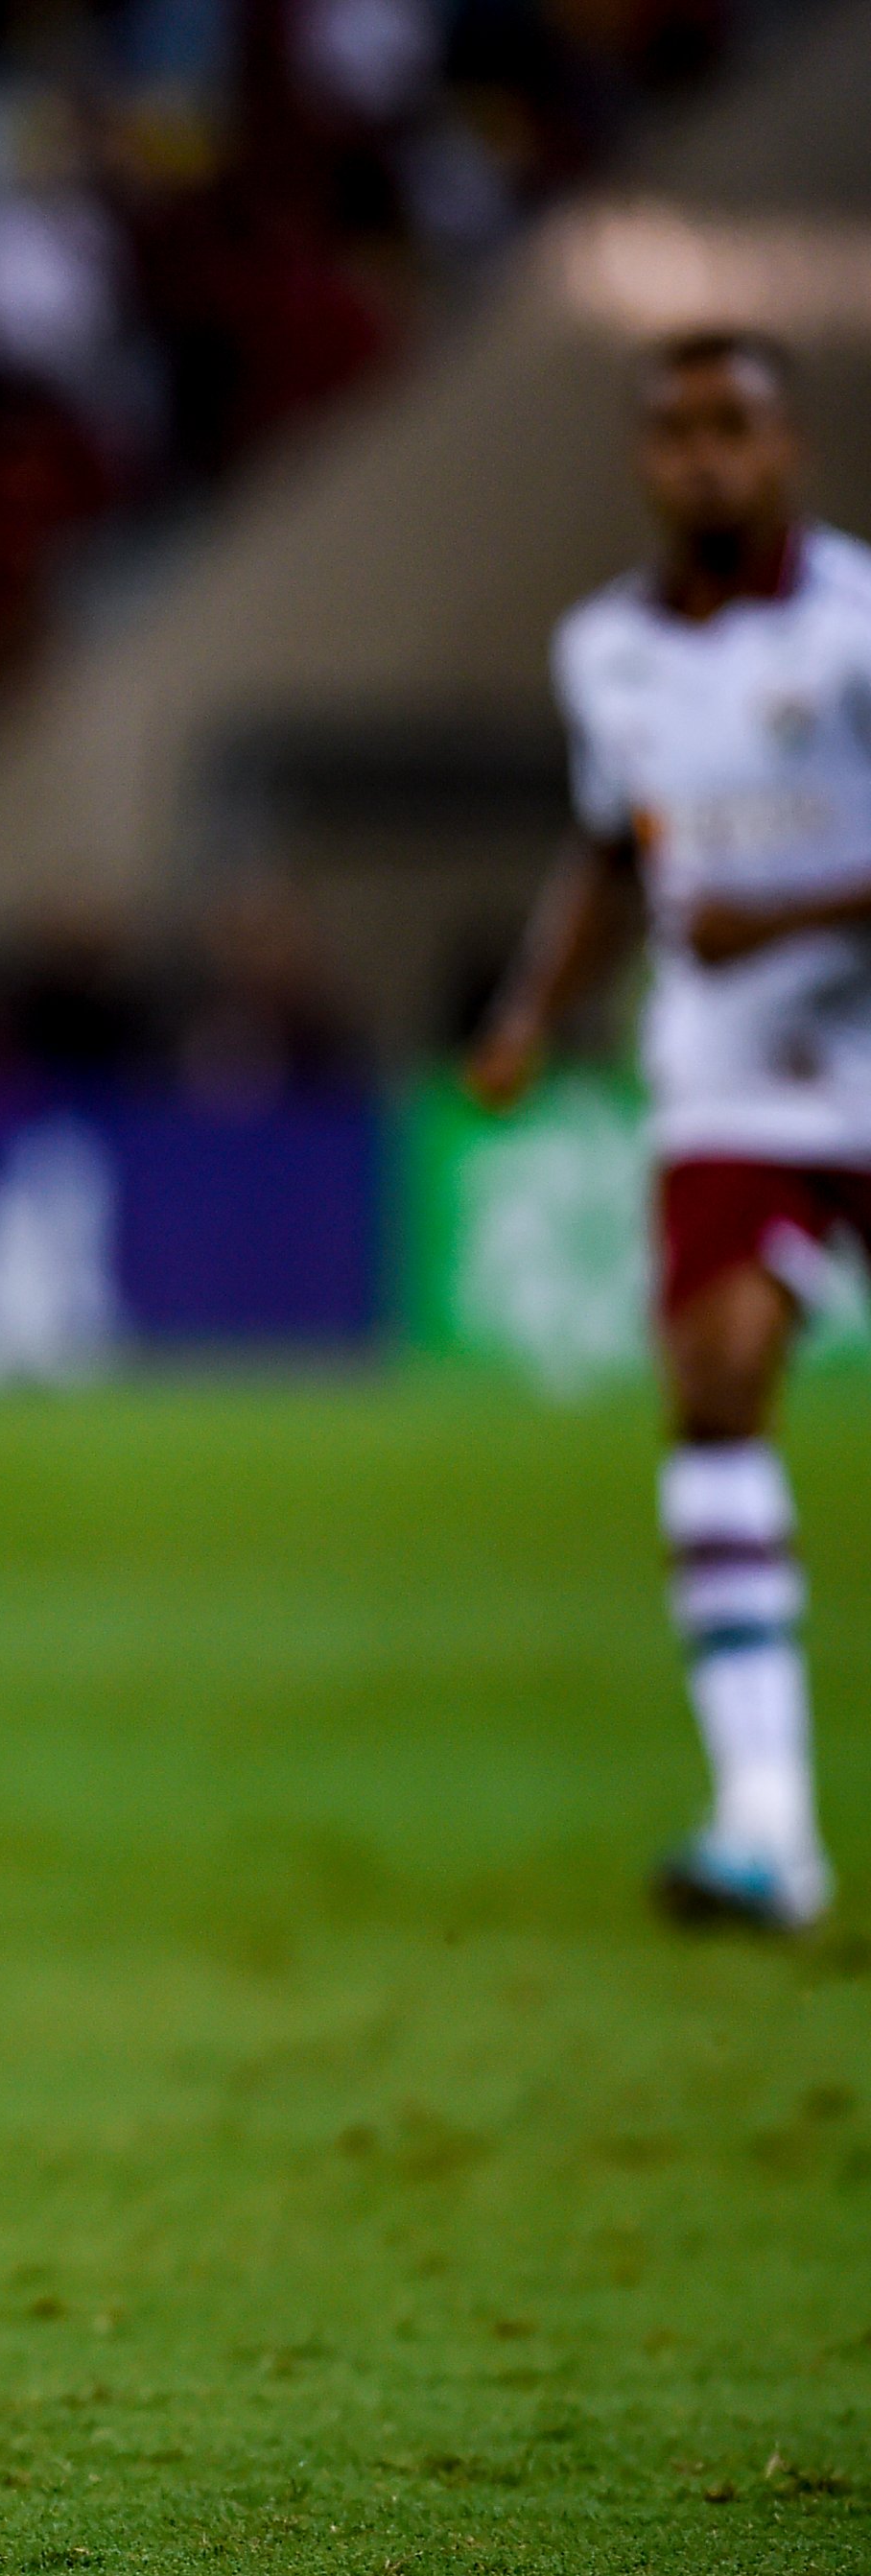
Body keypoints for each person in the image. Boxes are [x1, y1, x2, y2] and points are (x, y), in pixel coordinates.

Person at [466, 327, 871, 1933]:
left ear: (787, 450)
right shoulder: (605, 653)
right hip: (727, 1074)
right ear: (645, 462)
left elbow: (736, 893)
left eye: (733, 428)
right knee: (714, 1381)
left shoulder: (857, 623)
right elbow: (613, 848)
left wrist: (785, 915)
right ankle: (766, 1822)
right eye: (678, 432)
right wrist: (530, 1012)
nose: (705, 458)